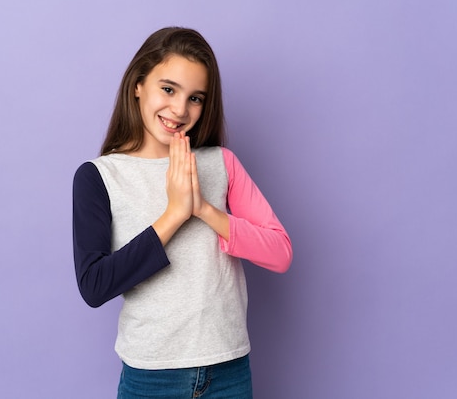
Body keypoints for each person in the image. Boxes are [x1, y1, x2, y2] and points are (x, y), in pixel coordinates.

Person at [72, 27, 293, 399]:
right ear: (138, 85)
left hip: (229, 371)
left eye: (196, 98)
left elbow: (280, 252)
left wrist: (204, 209)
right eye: (168, 89)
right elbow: (94, 285)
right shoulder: (100, 177)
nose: (179, 110)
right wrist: (174, 214)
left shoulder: (222, 163)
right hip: (151, 378)